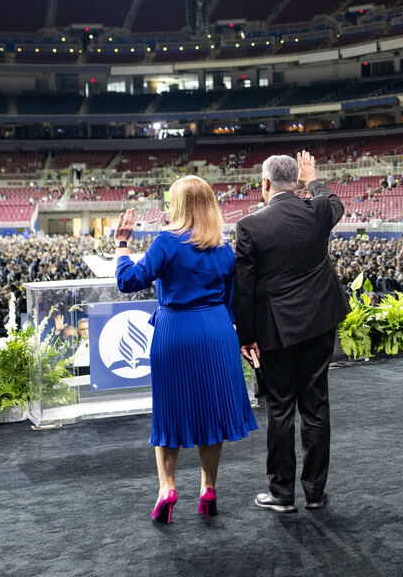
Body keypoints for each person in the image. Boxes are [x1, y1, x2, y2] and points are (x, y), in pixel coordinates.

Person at [113, 176, 259, 525]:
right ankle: (208, 489)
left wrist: (121, 244)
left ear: (177, 205)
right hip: (217, 332)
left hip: (175, 331)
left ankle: (167, 487)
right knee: (211, 412)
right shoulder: (224, 249)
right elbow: (233, 302)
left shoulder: (166, 242)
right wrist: (243, 338)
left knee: (170, 412)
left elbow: (127, 281)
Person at [234, 151, 349, 513]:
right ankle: (315, 493)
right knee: (316, 406)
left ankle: (282, 493)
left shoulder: (250, 225)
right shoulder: (318, 210)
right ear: (296, 182)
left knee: (280, 409)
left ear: (264, 184)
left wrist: (246, 337)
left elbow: (244, 287)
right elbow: (334, 201)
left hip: (276, 330)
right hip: (319, 324)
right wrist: (312, 180)